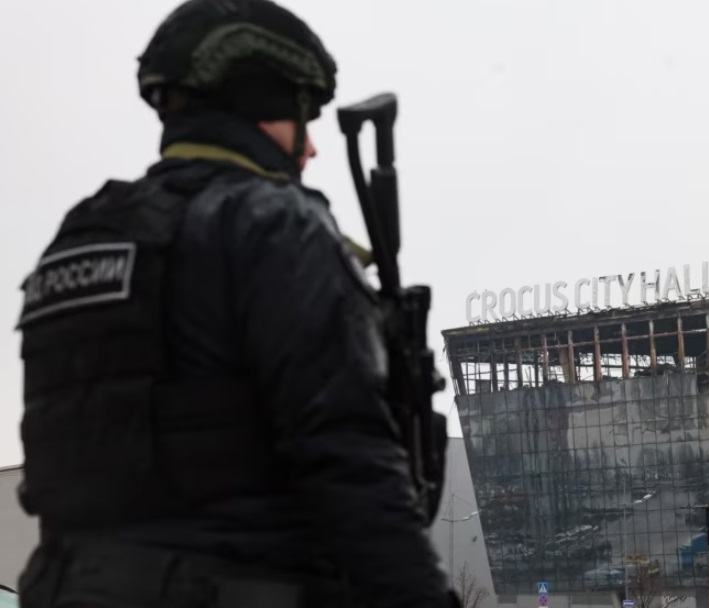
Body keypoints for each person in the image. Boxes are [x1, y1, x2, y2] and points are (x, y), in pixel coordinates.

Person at [14, 1, 457, 607]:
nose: (311, 149)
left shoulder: (79, 239)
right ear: (263, 104)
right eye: (303, 117)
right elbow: (348, 458)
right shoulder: (271, 223)